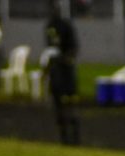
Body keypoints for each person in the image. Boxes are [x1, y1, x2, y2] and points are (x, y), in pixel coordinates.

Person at [45, 0, 80, 145]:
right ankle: (64, 137)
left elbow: (74, 48)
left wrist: (66, 59)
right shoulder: (49, 26)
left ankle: (75, 136)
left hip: (66, 71)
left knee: (70, 105)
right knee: (59, 105)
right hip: (57, 71)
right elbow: (49, 47)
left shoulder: (66, 26)